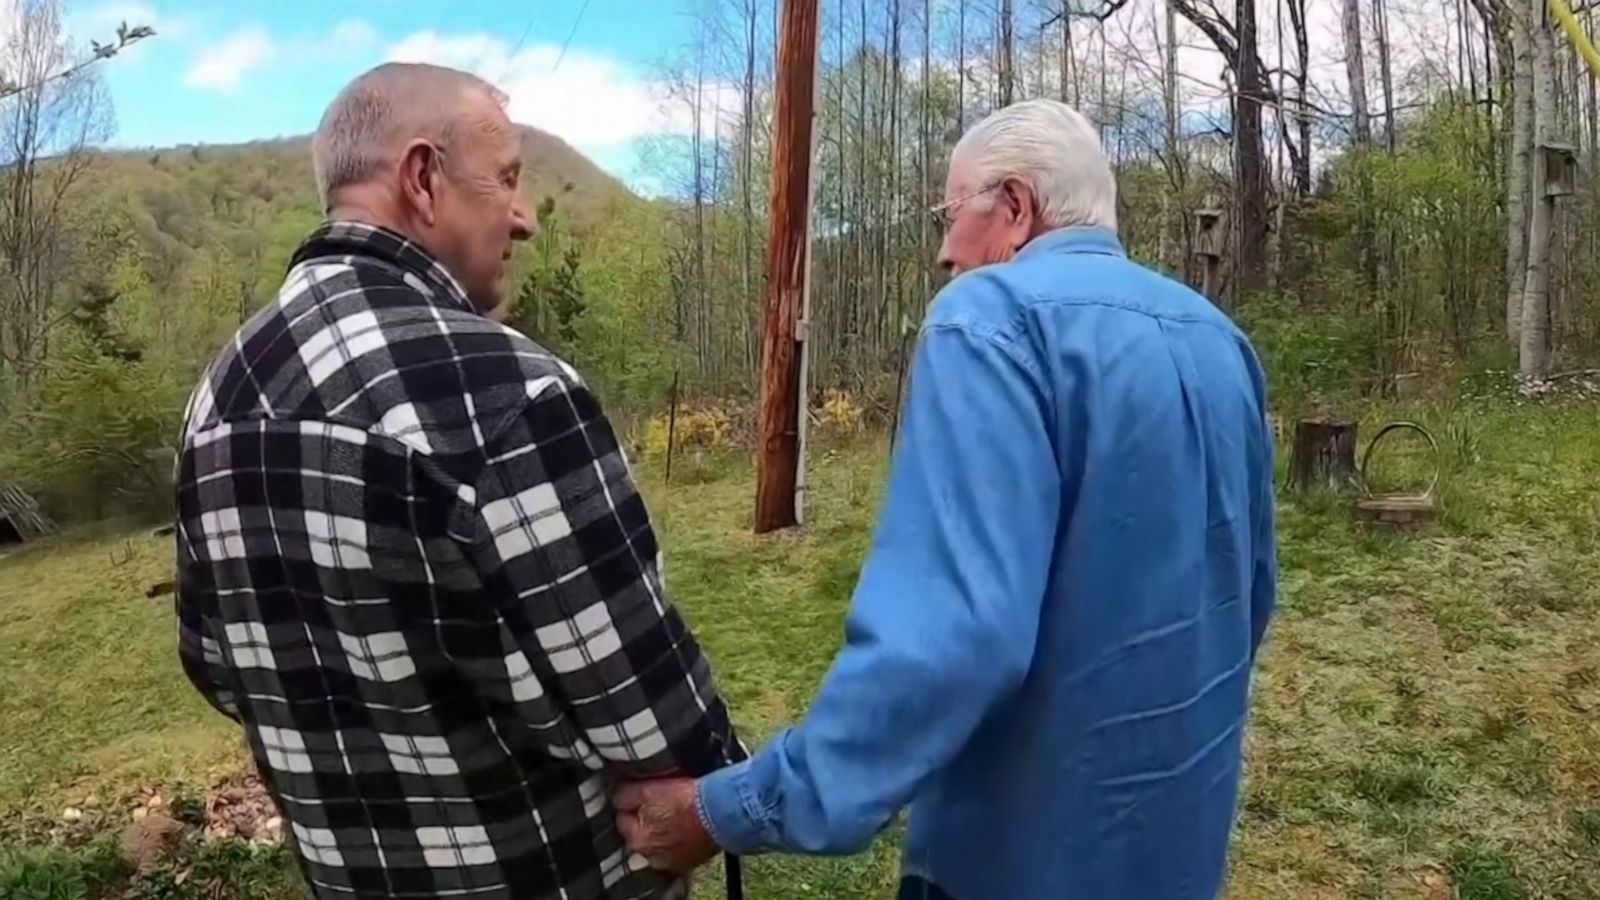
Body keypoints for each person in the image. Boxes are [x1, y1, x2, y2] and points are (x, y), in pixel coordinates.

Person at [614, 98, 1278, 899]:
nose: (941, 252)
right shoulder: (1218, 336)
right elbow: (1248, 597)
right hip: (1177, 856)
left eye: (948, 213)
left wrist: (735, 808)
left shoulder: (989, 320)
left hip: (1015, 865)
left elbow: (951, 643)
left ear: (1016, 206)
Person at [173, 62, 739, 900]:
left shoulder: (214, 401)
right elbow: (656, 716)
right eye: (507, 179)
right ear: (423, 179)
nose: (524, 218)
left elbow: (214, 664)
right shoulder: (503, 389)